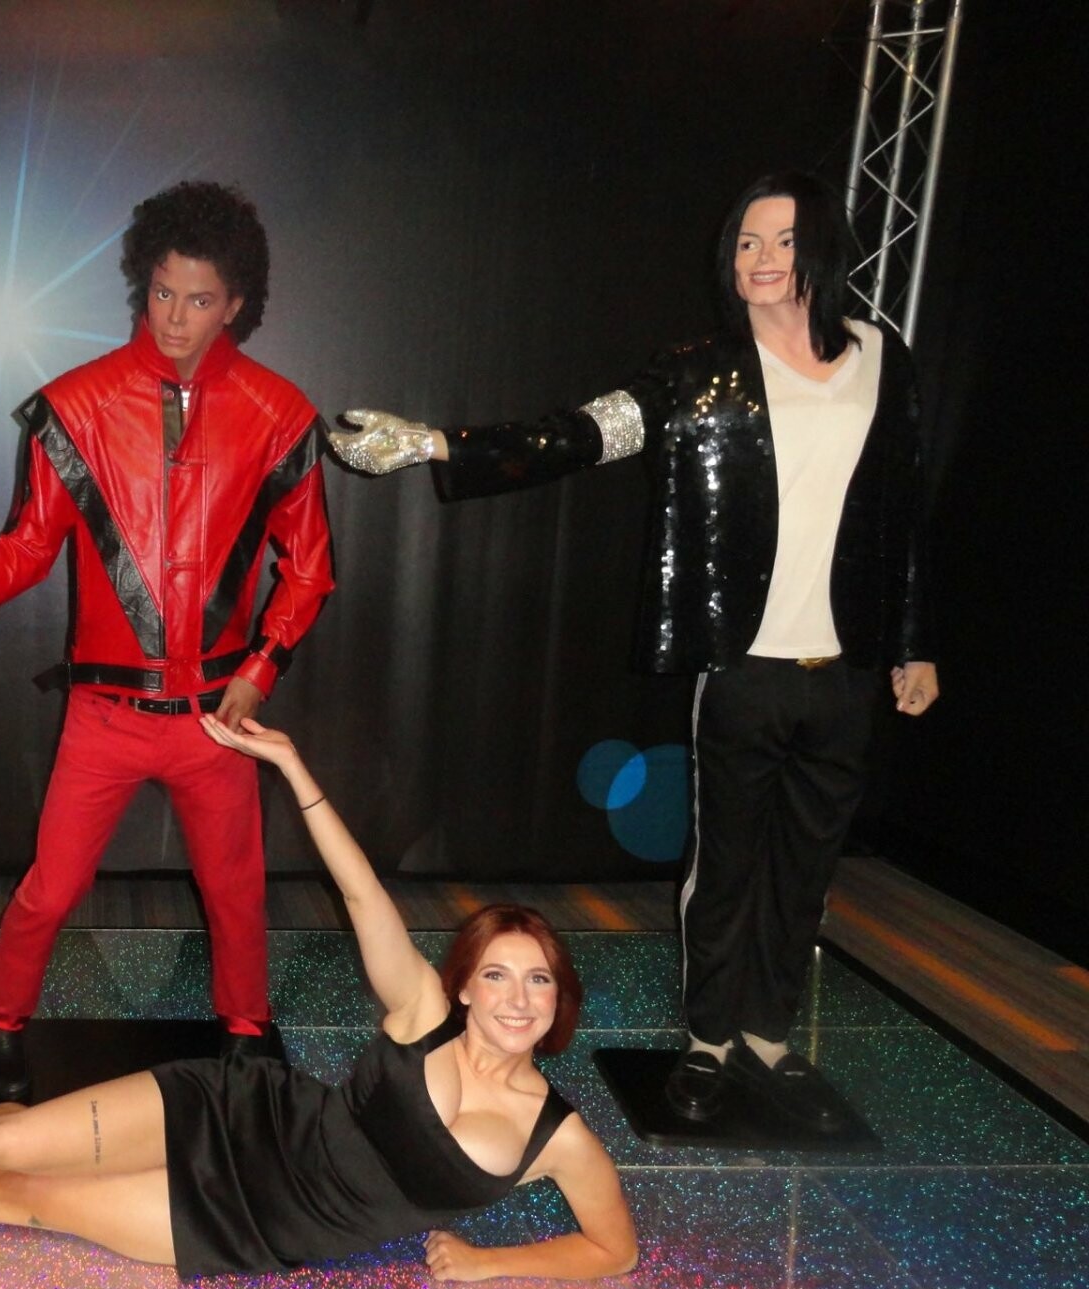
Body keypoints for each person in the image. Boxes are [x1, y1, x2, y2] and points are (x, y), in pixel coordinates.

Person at [329, 171, 939, 1132]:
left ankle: (768, 1039)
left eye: (782, 240)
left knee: (806, 868)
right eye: (746, 242)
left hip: (848, 669)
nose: (760, 260)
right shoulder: (700, 372)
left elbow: (903, 511)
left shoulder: (882, 360)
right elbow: (578, 435)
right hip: (742, 665)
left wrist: (913, 643)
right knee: (725, 866)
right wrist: (439, 445)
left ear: (822, 247)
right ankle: (708, 1042)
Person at [0, 717, 636, 1282]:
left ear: (560, 1001)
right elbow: (358, 894)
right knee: (4, 1141)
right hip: (238, 1110)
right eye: (498, 973)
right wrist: (291, 766)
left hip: (255, 1220)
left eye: (538, 979)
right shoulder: (423, 1012)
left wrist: (489, 1263)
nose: (516, 998)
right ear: (463, 982)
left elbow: (613, 1251)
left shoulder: (560, 1137)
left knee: (12, 1196)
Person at [0, 181, 335, 1098]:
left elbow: (309, 570)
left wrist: (262, 667)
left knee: (237, 891)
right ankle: (2, 1020)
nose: (175, 318)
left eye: (199, 299)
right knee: (50, 887)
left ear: (235, 304)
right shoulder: (78, 406)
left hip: (216, 717)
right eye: (162, 292)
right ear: (141, 283)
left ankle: (246, 1029)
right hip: (106, 714)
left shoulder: (278, 413)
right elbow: (26, 547)